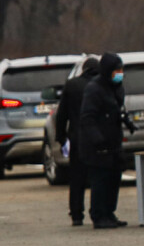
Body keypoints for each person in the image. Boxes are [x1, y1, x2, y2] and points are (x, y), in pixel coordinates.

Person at [80, 53, 135, 229]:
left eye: (121, 70)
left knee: (113, 178)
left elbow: (118, 109)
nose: (119, 73)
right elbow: (87, 117)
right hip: (98, 145)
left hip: (114, 140)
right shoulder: (94, 89)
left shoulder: (117, 87)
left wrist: (127, 122)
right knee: (100, 180)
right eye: (116, 70)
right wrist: (97, 139)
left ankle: (109, 212)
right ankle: (98, 215)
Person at [54, 56, 100, 226]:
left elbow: (62, 114)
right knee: (98, 176)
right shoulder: (101, 85)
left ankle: (76, 214)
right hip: (98, 139)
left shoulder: (72, 85)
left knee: (77, 178)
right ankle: (99, 211)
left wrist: (60, 137)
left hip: (77, 137)